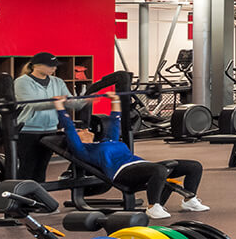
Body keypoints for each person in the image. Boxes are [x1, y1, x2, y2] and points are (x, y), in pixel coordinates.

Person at [56, 94, 208, 219]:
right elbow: (69, 127)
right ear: (76, 137)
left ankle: (190, 200)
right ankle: (153, 207)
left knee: (194, 166)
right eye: (79, 130)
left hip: (142, 166)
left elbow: (115, 121)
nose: (84, 129)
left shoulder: (108, 140)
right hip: (122, 173)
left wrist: (114, 99)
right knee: (159, 170)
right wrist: (60, 106)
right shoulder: (83, 150)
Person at [13, 52, 80, 182]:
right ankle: (22, 201)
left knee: (41, 169)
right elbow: (35, 105)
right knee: (27, 168)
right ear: (37, 66)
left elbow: (71, 101)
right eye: (51, 66)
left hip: (50, 131)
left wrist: (86, 100)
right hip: (28, 131)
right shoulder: (22, 82)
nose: (54, 68)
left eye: (55, 66)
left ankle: (38, 200)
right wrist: (57, 102)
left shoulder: (57, 82)